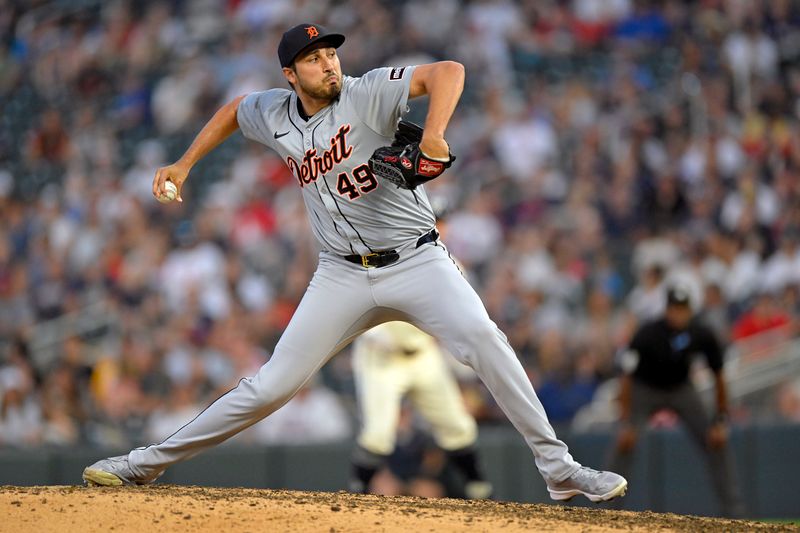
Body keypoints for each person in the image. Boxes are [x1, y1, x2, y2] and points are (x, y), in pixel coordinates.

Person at [82, 22, 627, 503]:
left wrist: (432, 133)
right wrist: (184, 163)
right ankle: (143, 464)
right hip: (340, 272)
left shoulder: (366, 93)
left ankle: (560, 470)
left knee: (485, 340)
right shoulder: (275, 111)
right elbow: (233, 111)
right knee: (270, 386)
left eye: (331, 54)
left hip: (416, 260)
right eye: (314, 59)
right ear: (290, 75)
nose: (329, 64)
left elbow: (448, 71)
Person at [609, 285, 744, 517]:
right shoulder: (648, 333)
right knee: (625, 442)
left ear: (690, 311)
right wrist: (625, 422)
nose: (678, 314)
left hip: (682, 389)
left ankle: (735, 514)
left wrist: (720, 418)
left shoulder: (701, 333)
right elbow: (626, 376)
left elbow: (719, 375)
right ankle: (606, 510)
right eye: (674, 309)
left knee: (716, 441)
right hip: (646, 389)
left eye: (683, 310)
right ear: (667, 310)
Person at [349, 321, 493, 500]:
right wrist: (368, 329)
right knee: (377, 436)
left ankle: (478, 487)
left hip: (422, 354)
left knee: (457, 426)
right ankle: (356, 494)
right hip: (381, 357)